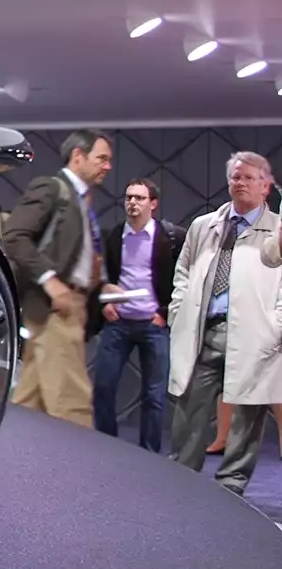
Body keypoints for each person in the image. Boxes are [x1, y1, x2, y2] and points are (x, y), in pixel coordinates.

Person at [165, 151, 282, 494]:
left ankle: (232, 487)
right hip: (205, 331)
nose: (240, 182)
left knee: (248, 416)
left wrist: (276, 329)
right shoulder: (204, 225)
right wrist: (177, 311)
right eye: (235, 177)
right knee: (190, 409)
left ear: (265, 186)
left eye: (249, 178)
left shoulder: (277, 230)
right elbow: (183, 272)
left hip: (255, 336)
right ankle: (183, 482)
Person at [0, 129, 115, 428]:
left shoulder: (80, 200)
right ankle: (80, 462)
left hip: (68, 307)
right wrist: (51, 282)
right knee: (72, 407)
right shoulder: (53, 189)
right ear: (78, 156)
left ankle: (14, 457)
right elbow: (14, 236)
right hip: (56, 310)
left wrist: (100, 285)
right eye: (101, 158)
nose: (108, 166)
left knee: (30, 405)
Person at [90, 178, 185, 451]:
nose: (132, 202)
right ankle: (107, 448)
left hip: (153, 325)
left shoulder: (170, 238)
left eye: (139, 198)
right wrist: (105, 303)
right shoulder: (114, 235)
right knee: (103, 389)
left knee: (154, 396)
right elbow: (100, 276)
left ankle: (149, 454)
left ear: (153, 204)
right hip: (118, 322)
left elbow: (182, 279)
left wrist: (164, 313)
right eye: (129, 197)